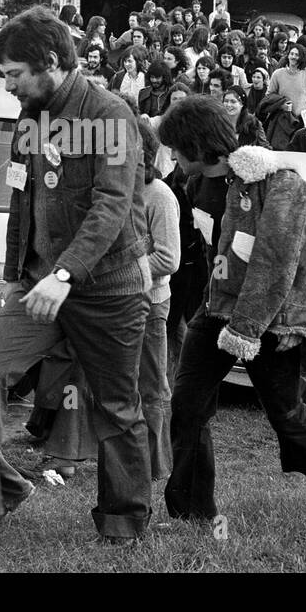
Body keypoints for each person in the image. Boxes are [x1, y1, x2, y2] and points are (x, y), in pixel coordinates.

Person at [0, 6, 152, 551]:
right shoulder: (31, 116)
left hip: (108, 290)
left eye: (14, 74)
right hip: (38, 287)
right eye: (4, 75)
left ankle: (123, 524)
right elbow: (22, 196)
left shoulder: (110, 115)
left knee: (117, 408)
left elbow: (112, 205)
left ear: (50, 63)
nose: (8, 87)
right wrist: (14, 276)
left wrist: (66, 273)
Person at [158, 96, 306, 520]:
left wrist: (245, 329)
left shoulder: (280, 183)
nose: (170, 155)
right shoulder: (192, 185)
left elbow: (277, 261)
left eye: (174, 146)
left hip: (276, 318)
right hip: (218, 308)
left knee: (284, 410)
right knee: (187, 406)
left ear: (196, 143)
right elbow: (207, 254)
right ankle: (192, 512)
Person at [137, 116, 180, 480]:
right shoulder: (116, 190)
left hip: (150, 303)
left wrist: (123, 273)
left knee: (152, 386)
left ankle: (158, 466)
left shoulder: (160, 196)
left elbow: (169, 258)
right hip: (118, 304)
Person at [267, 44, 306, 124]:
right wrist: (280, 105)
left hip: (302, 120)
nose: (293, 57)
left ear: (302, 57)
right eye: (291, 54)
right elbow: (269, 96)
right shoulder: (277, 74)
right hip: (282, 119)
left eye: (297, 55)